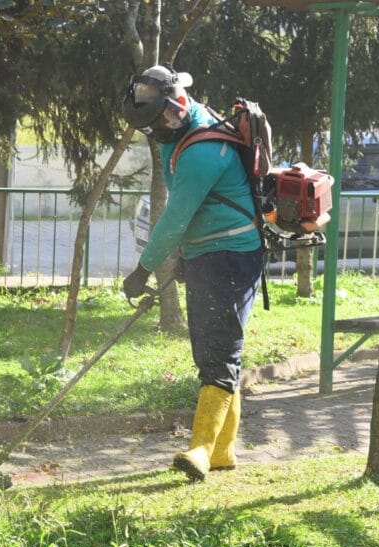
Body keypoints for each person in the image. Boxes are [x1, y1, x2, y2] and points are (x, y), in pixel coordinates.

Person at [120, 64, 263, 482]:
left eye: (160, 120)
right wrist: (186, 254)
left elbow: (175, 217)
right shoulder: (180, 134)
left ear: (178, 103)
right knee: (213, 352)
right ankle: (222, 452)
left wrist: (144, 268)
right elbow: (194, 208)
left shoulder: (202, 150)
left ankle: (200, 448)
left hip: (231, 256)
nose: (157, 130)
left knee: (220, 351)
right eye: (149, 126)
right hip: (206, 253)